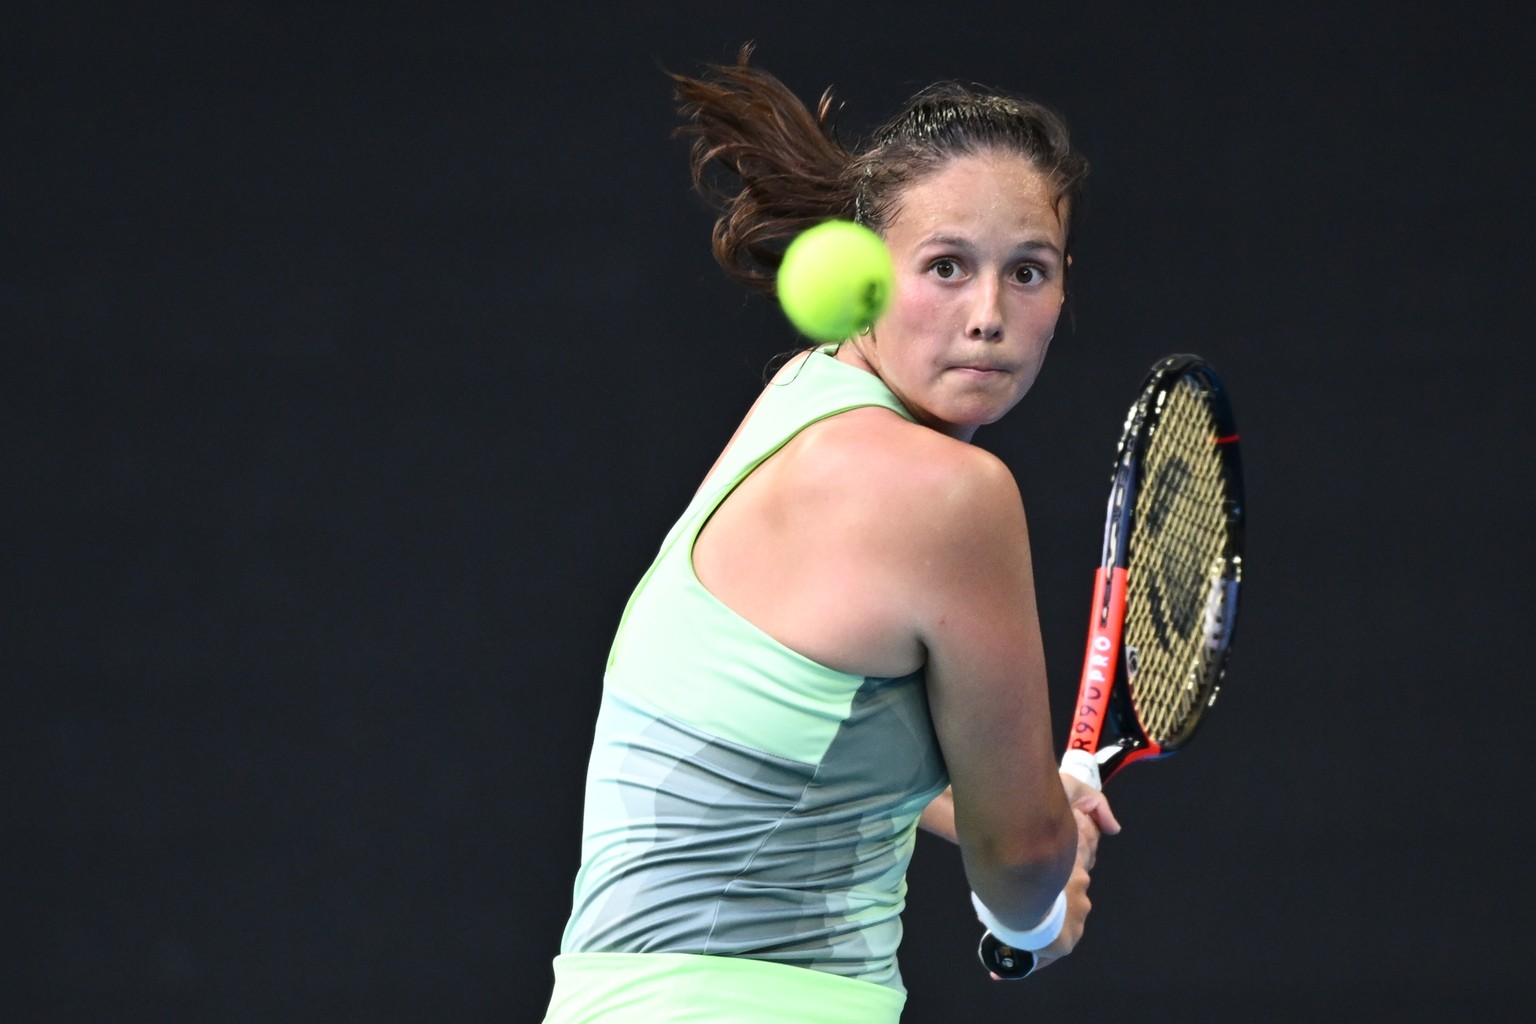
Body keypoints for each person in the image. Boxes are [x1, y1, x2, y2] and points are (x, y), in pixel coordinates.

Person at [542, 45, 1121, 1024]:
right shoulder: (953, 494)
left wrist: (1019, 802)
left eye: (1029, 271)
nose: (989, 316)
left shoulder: (798, 399)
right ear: (866, 271)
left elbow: (798, 752)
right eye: (946, 266)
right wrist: (1034, 905)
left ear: (1064, 293)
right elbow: (1021, 865)